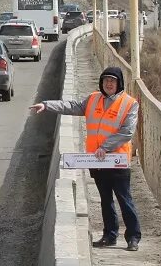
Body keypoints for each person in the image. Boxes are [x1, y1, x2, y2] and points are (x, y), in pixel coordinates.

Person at [30, 66, 142, 251]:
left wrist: (105, 148)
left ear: (119, 83)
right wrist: (47, 105)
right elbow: (72, 106)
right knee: (105, 200)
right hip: (96, 161)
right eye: (106, 80)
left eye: (113, 81)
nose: (109, 84)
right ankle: (109, 235)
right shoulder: (93, 99)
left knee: (124, 199)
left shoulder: (129, 103)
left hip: (117, 161)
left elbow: (127, 132)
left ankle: (133, 237)